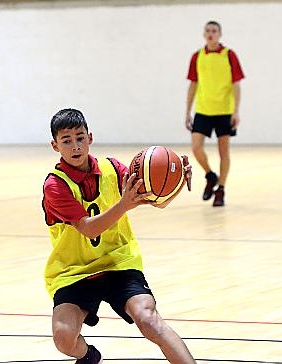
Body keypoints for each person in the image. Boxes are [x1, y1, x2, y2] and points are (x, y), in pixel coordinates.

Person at [42, 108, 197, 364]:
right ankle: (89, 356)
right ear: (55, 145)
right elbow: (90, 228)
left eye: (80, 137)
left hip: (119, 263)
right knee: (64, 338)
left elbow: (154, 200)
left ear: (90, 138)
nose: (75, 146)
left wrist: (175, 179)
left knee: (149, 320)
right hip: (74, 272)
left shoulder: (113, 169)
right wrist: (125, 204)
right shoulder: (55, 186)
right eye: (66, 141)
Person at [185, 20, 245, 207]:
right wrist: (187, 111)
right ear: (204, 34)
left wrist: (236, 111)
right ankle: (211, 176)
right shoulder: (197, 56)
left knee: (223, 152)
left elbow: (236, 85)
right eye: (208, 30)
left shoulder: (229, 55)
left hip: (224, 111)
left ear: (220, 34)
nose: (211, 33)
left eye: (214, 30)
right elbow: (193, 84)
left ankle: (221, 189)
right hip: (203, 110)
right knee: (196, 148)